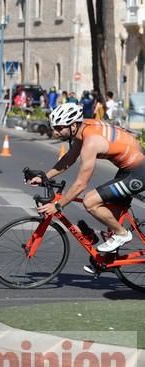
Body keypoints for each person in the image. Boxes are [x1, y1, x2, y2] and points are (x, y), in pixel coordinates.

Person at [32, 103, 145, 273]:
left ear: (72, 125)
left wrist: (57, 205)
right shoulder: (82, 128)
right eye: (54, 127)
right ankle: (105, 260)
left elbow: (80, 185)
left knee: (90, 201)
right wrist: (45, 177)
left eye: (59, 127)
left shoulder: (91, 142)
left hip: (138, 172)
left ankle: (123, 234)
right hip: (127, 169)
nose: (55, 132)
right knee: (110, 216)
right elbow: (69, 158)